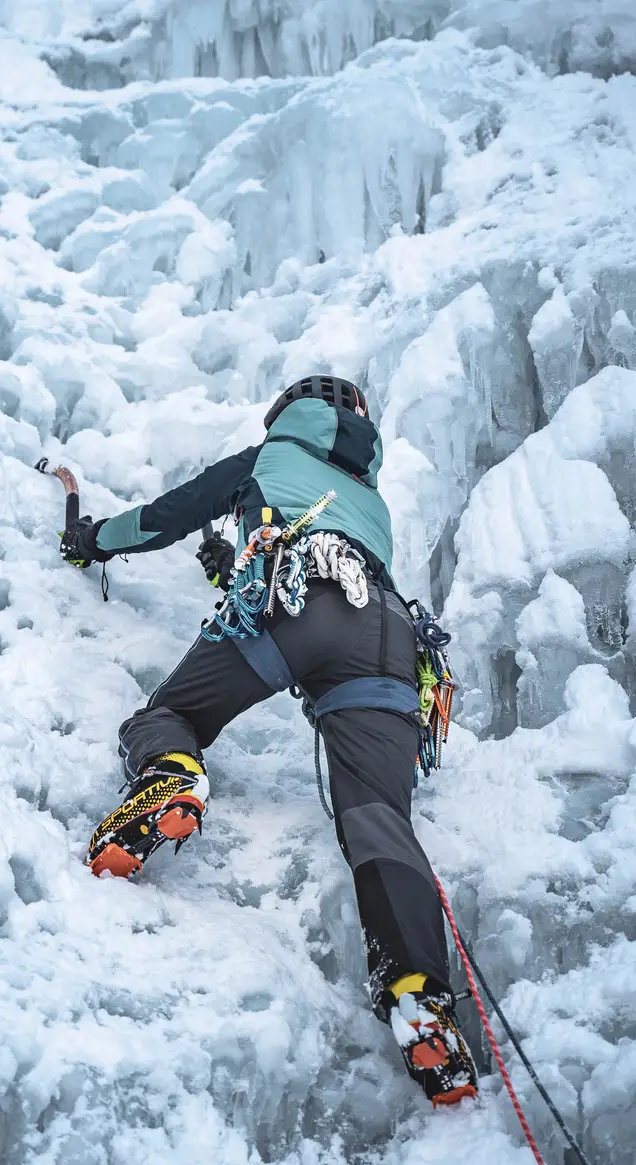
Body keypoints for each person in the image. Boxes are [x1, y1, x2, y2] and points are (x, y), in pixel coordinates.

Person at [59, 375, 478, 1107]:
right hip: (389, 641)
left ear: (290, 417)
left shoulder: (265, 458)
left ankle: (173, 777)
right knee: (379, 818)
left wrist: (92, 540)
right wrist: (234, 567)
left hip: (297, 603)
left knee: (169, 717)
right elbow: (338, 556)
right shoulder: (371, 501)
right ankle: (420, 997)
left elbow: (168, 515)